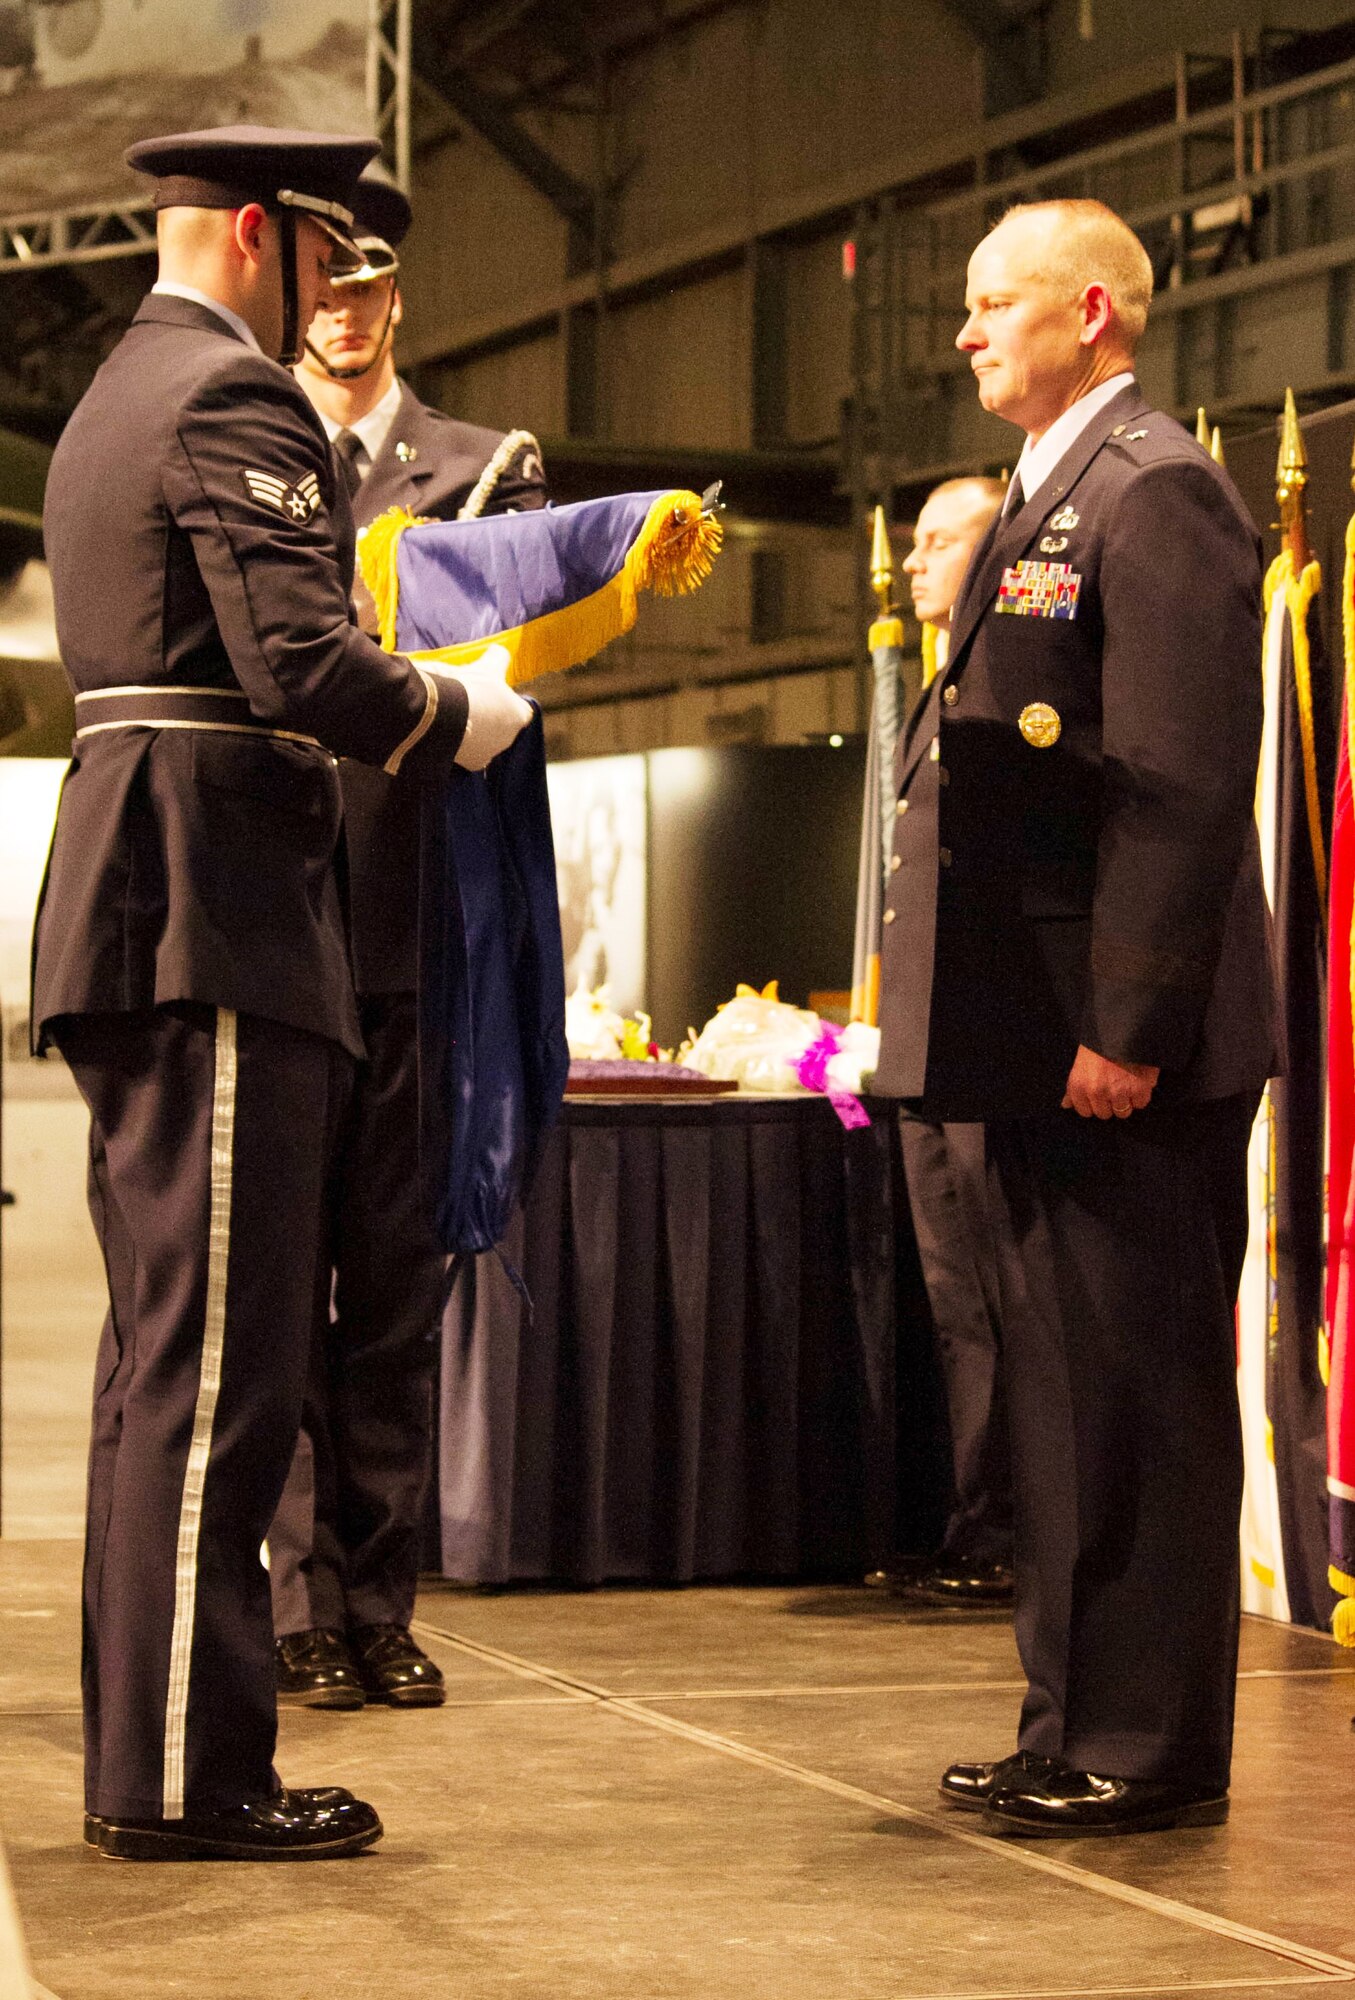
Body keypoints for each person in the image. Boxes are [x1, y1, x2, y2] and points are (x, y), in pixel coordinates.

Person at [31, 126, 533, 1862]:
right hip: (215, 908)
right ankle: (188, 1778)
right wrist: (452, 717)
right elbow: (300, 660)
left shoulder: (119, 389)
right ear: (259, 235)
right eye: (324, 254)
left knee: (163, 1364)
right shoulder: (233, 402)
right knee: (223, 1376)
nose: (335, 290)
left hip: (147, 898)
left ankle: (155, 1761)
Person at [873, 197, 1275, 1837]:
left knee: (1145, 1395)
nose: (966, 332)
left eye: (993, 303)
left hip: (1129, 1053)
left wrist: (1126, 1021)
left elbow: (1176, 787)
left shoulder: (1155, 488)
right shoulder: (1048, 494)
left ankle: (1152, 1741)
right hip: (1029, 1040)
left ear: (1093, 311)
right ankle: (1068, 1711)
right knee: (1055, 1401)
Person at [268, 169, 547, 1711]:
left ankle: (377, 1600)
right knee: (276, 1293)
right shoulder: (249, 456)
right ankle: (301, 1588)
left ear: (396, 294)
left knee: (389, 1292)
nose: (344, 304)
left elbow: (509, 665)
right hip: (282, 923)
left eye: (369, 278)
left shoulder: (478, 468)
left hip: (417, 927)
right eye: (325, 275)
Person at [868, 475, 1015, 1609]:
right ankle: (976, 1518)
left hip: (977, 1046)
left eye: (936, 542)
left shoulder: (1007, 682)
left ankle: (1004, 1526)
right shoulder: (937, 685)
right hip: (921, 1052)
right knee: (955, 1304)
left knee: (1000, 1305)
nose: (912, 565)